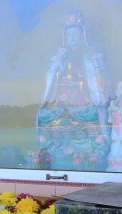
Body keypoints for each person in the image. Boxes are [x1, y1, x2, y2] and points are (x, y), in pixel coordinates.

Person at [36, 10, 109, 169]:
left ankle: (91, 153)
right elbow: (51, 77)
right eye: (69, 36)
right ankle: (50, 151)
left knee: (91, 114)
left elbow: (97, 79)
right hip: (61, 97)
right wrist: (58, 64)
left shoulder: (91, 55)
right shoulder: (59, 55)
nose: (72, 39)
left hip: (83, 96)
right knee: (44, 115)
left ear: (82, 36)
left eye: (75, 36)